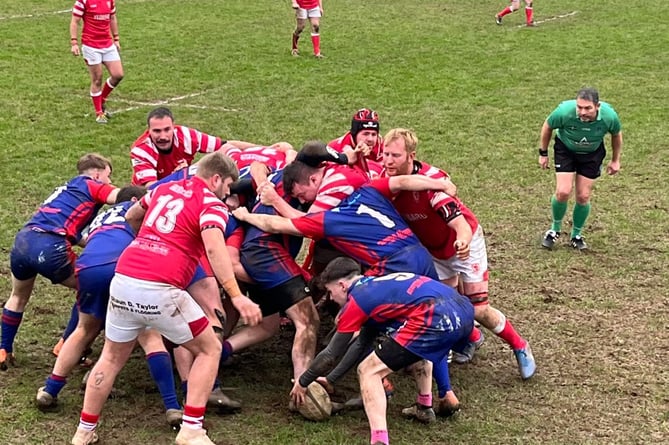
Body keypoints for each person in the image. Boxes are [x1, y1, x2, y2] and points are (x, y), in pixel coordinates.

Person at [70, 152, 262, 445]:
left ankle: (83, 431)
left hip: (124, 279)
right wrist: (237, 296)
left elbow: (133, 214)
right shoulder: (211, 203)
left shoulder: (164, 188)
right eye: (228, 186)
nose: (228, 193)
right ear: (216, 179)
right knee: (209, 349)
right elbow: (214, 249)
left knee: (110, 357)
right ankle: (192, 428)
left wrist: (146, 242)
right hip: (161, 287)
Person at [379, 128, 536, 383]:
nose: (388, 161)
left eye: (395, 155)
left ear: (411, 156)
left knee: (478, 309)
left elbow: (459, 222)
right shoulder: (385, 178)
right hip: (433, 250)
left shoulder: (433, 183)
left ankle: (520, 345)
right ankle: (472, 338)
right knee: (443, 304)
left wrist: (462, 239)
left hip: (464, 244)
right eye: (385, 154)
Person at [35, 186, 184, 428]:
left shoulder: (100, 217)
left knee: (83, 330)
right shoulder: (140, 211)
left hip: (87, 268)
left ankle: (50, 389)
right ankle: (172, 406)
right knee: (149, 335)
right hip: (121, 266)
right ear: (136, 200)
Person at [290, 258, 474, 445]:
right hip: (463, 310)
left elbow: (331, 354)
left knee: (368, 370)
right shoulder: (375, 285)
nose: (330, 298)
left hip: (436, 316)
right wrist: (330, 380)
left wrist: (303, 381)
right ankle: (424, 406)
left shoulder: (357, 301)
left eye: (330, 292)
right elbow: (361, 343)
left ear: (342, 285)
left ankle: (379, 440)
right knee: (417, 348)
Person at [1, 154, 119, 371]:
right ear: (96, 173)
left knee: (17, 297)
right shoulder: (92, 185)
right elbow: (122, 197)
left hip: (24, 240)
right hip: (50, 245)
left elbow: (74, 233)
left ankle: (3, 349)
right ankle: (68, 347)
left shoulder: (66, 190)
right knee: (92, 286)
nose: (109, 182)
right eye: (108, 176)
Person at [233, 174, 457, 279]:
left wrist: (246, 215)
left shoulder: (328, 220)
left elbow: (277, 223)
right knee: (432, 302)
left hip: (392, 264)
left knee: (363, 314)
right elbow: (401, 181)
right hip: (419, 252)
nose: (302, 201)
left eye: (302, 196)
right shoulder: (368, 190)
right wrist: (441, 184)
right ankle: (465, 340)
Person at [539, 87, 622, 250]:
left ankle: (576, 235)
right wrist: (543, 153)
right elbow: (548, 126)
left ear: (597, 106)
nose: (582, 112)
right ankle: (554, 230)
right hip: (566, 151)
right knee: (563, 191)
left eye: (587, 108)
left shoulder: (609, 116)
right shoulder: (564, 112)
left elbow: (616, 134)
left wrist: (615, 160)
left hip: (591, 155)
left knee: (583, 196)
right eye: (579, 107)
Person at [130, 106, 261, 187]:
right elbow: (151, 188)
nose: (163, 136)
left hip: (183, 185)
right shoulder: (141, 150)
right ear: (149, 130)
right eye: (157, 131)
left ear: (173, 127)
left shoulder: (185, 135)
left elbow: (225, 145)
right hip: (149, 198)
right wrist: (180, 176)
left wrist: (264, 149)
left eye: (167, 129)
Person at [70, 0, 124, 124]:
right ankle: (99, 113)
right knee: (97, 79)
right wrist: (74, 42)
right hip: (91, 46)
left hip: (107, 44)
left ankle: (102, 99)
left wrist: (116, 38)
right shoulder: (83, 1)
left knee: (118, 74)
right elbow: (75, 21)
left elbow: (112, 18)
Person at [327, 108, 384, 177]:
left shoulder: (383, 146)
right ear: (354, 134)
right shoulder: (335, 148)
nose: (370, 139)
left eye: (374, 134)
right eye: (365, 134)